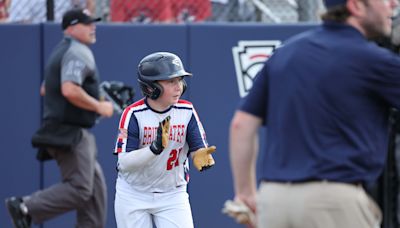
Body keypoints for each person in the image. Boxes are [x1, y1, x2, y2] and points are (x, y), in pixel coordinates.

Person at [228, 0, 400, 227]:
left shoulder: (286, 53)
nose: (393, 4)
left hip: (274, 202)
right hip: (333, 204)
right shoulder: (375, 60)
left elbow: (241, 125)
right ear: (356, 6)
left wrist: (245, 193)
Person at [5, 8, 113, 228]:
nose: (93, 27)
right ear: (71, 27)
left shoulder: (62, 51)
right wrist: (99, 105)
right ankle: (25, 207)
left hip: (70, 130)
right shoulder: (77, 51)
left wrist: (94, 97)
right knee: (81, 188)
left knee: (95, 192)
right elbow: (69, 90)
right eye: (87, 23)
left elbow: (46, 89)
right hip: (69, 133)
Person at [113, 52, 216, 228]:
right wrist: (154, 148)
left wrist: (200, 154)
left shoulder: (187, 111)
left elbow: (197, 147)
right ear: (151, 87)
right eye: (170, 81)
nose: (179, 87)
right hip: (133, 193)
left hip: (172, 194)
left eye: (179, 80)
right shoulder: (133, 114)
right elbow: (124, 163)